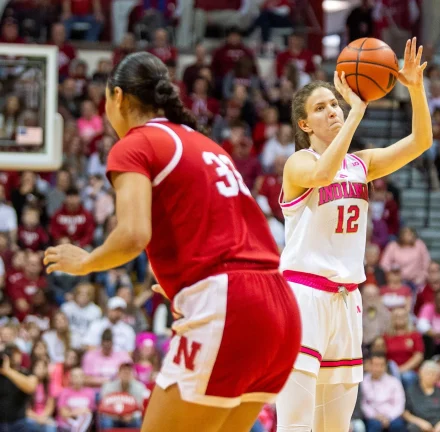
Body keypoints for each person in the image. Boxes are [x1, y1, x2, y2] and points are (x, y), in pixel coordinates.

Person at [42, 52, 302, 432]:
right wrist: (183, 282)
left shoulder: (134, 144)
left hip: (231, 303)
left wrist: (87, 262)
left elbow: (133, 235)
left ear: (117, 97)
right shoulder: (205, 143)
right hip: (278, 308)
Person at [276, 37, 431, 432]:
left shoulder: (362, 164)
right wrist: (357, 111)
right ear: (304, 124)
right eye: (321, 107)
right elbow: (324, 174)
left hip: (347, 300)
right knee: (295, 423)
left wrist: (415, 89)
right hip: (303, 296)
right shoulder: (298, 163)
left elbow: (421, 142)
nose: (332, 111)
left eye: (335, 103)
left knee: (336, 427)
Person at [0, 345, 38, 431]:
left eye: (16, 353)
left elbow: (30, 387)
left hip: (19, 422)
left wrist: (8, 371)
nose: (13, 357)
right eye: (10, 353)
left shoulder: (25, 373)